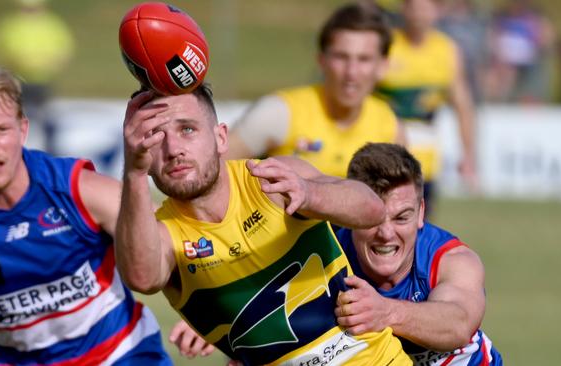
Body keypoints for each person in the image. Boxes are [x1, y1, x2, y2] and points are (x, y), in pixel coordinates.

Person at [115, 84, 411, 365]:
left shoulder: (270, 178)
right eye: (154, 137)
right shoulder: (162, 233)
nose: (173, 149)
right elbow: (142, 278)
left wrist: (309, 194)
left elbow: (371, 208)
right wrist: (134, 175)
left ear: (220, 138)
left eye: (187, 129)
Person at [0, 65, 171, 365]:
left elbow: (175, 236)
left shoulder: (76, 190)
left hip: (122, 356)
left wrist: (206, 316)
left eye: (1, 130)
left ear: (23, 130)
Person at [335, 142, 502, 365]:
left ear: (421, 211)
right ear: (350, 213)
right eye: (372, 219)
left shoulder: (450, 260)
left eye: (401, 217)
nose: (386, 234)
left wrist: (384, 312)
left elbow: (459, 324)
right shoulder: (329, 254)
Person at [226, 3, 404, 178]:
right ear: (321, 60)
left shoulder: (389, 128)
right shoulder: (279, 112)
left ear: (383, 66)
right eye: (341, 57)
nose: (351, 72)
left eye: (364, 59)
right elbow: (213, 171)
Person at [376, 0, 477, 217]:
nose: (419, 15)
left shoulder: (447, 51)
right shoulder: (385, 45)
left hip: (423, 161)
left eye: (426, 8)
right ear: (404, 8)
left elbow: (463, 106)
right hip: (382, 156)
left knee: (418, 228)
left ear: (438, 10)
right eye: (414, 7)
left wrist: (468, 156)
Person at [0, 0, 75, 154]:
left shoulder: (50, 24)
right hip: (18, 80)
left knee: (46, 118)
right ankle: (13, 150)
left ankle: (52, 152)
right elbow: (0, 48)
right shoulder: (12, 24)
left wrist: (52, 64)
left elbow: (64, 48)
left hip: (42, 80)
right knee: (15, 117)